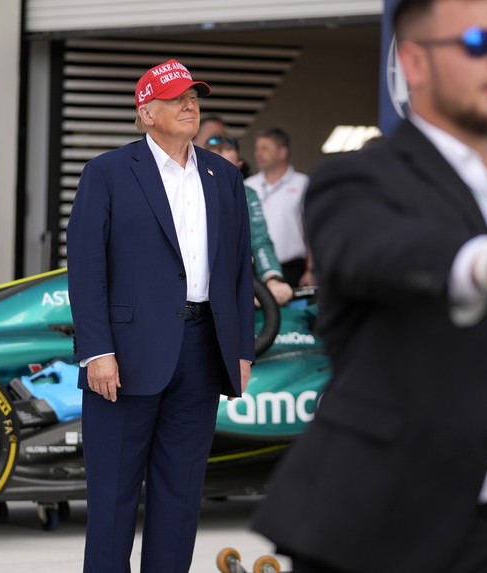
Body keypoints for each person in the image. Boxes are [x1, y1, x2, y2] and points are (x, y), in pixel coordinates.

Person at [251, 1, 487, 571]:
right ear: (414, 63)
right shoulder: (359, 178)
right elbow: (374, 250)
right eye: (475, 43)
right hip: (397, 531)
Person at [66, 58, 254, 573]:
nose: (190, 105)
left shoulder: (224, 177)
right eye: (176, 98)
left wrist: (239, 350)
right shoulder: (106, 172)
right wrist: (97, 351)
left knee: (180, 497)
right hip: (123, 359)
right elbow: (86, 270)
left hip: (202, 353)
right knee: (112, 497)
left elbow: (238, 271)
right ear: (146, 112)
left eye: (194, 96)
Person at [204, 133, 293, 305]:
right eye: (215, 167)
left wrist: (272, 278)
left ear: (239, 166)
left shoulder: (247, 194)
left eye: (228, 167)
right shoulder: (187, 191)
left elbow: (259, 239)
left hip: (236, 280)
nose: (221, 174)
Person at [243, 128, 312, 287]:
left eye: (265, 148)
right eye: (257, 148)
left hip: (294, 269)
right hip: (255, 270)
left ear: (282, 152)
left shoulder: (303, 184)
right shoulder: (247, 186)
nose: (258, 153)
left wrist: (312, 270)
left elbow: (313, 230)